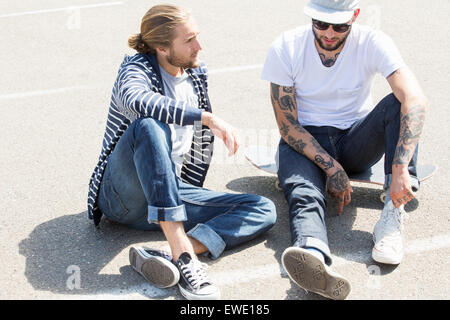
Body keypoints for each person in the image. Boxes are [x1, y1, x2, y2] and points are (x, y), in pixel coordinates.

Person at [87, 4, 277, 300]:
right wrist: (206, 117)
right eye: (189, 40)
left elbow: (199, 145)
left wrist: (190, 189)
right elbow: (138, 100)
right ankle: (185, 256)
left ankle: (162, 253)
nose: (199, 46)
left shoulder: (196, 74)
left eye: (196, 36)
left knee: (262, 209)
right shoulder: (135, 69)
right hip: (122, 196)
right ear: (161, 47)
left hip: (164, 195)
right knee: (150, 126)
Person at [261, 0, 427, 299]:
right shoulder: (286, 46)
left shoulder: (372, 41)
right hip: (303, 140)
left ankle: (392, 214)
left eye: (340, 26)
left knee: (401, 104)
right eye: (321, 23)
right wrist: (331, 168)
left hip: (356, 139)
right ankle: (314, 254)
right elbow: (287, 125)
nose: (328, 33)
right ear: (309, 16)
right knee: (304, 193)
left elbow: (415, 99)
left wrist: (400, 169)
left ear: (356, 16)